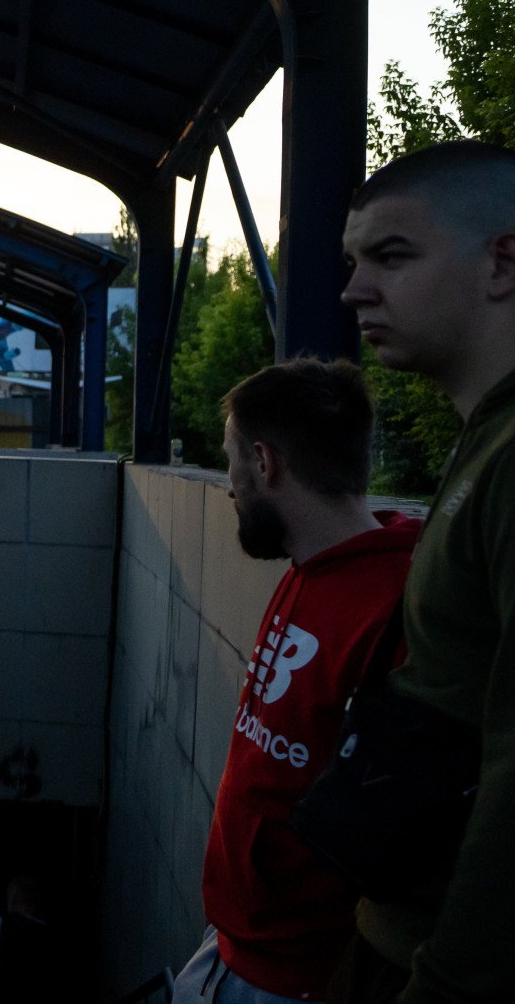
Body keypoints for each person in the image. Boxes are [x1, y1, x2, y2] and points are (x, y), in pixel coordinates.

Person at [171, 360, 418, 1004]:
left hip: (298, 980)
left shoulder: (395, 610)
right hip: (232, 947)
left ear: (264, 462)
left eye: (230, 466)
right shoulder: (307, 569)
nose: (229, 488)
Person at [333, 139, 515, 1004]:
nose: (353, 290)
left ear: (503, 261)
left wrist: (445, 981)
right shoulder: (485, 439)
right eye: (353, 262)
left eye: (392, 256)